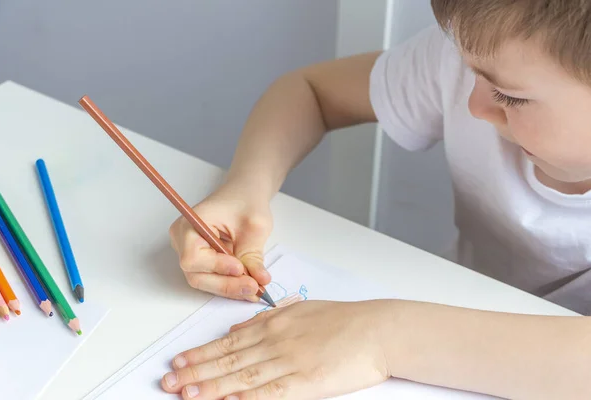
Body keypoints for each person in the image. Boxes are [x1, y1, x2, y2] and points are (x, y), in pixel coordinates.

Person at [160, 1, 591, 399]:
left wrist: (385, 335)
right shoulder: (490, 53)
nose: (475, 105)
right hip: (454, 297)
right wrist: (246, 189)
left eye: (511, 97)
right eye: (468, 70)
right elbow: (311, 91)